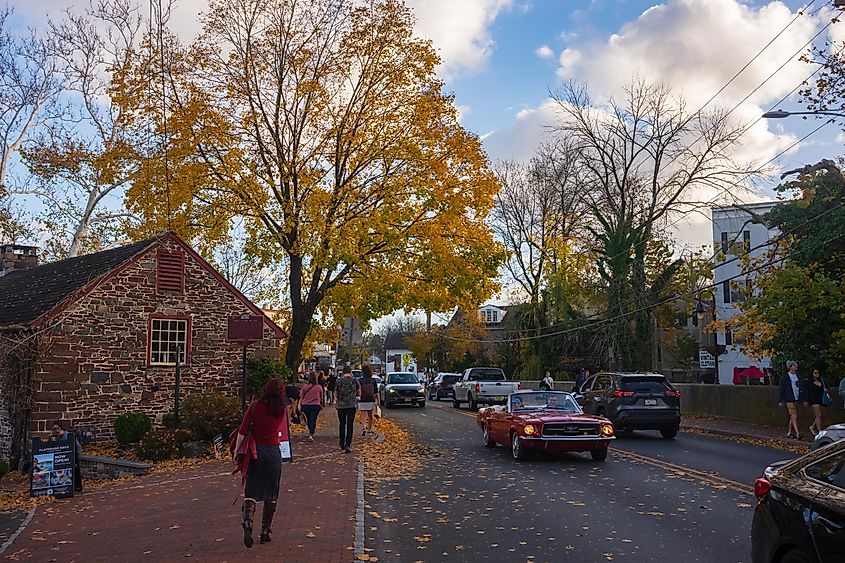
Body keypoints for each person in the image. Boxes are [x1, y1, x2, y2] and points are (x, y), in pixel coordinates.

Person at [232, 379, 286, 548]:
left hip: (256, 451)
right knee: (272, 492)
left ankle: (248, 523)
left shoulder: (255, 407)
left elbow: (242, 431)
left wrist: (236, 451)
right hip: (273, 452)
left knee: (251, 491)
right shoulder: (281, 410)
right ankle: (265, 531)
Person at [778, 361, 808, 439]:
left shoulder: (799, 376)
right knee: (794, 415)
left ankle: (789, 432)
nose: (796, 366)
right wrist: (780, 400)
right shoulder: (785, 377)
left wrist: (804, 399)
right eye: (795, 365)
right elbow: (781, 389)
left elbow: (803, 387)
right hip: (789, 399)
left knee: (793, 416)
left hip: (798, 398)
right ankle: (798, 433)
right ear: (791, 367)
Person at [50, 420, 83, 493]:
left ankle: (75, 486)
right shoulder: (58, 437)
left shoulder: (68, 436)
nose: (56, 432)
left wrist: (76, 457)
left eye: (57, 430)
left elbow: (78, 447)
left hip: (72, 457)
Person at [335, 365, 361, 453]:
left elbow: (336, 392)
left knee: (342, 424)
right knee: (350, 424)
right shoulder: (354, 380)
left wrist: (337, 401)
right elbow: (359, 392)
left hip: (341, 405)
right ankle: (348, 444)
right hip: (351, 405)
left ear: (343, 372)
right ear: (350, 372)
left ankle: (341, 442)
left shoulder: (338, 380)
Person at [300, 372, 325, 442]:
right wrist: (322, 404)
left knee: (309, 419)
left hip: (305, 405)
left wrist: (300, 404)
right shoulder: (319, 387)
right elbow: (321, 397)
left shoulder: (305, 386)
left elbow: (302, 396)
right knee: (313, 419)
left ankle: (310, 431)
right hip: (315, 405)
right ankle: (311, 433)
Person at [807, 368, 830, 436]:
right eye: (815, 373)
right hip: (814, 400)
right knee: (818, 415)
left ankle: (813, 427)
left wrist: (825, 389)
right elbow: (809, 392)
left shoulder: (822, 380)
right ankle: (820, 432)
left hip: (821, 400)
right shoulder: (810, 382)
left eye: (818, 373)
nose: (817, 374)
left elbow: (827, 388)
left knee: (820, 415)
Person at [358, 366, 379, 436]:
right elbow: (376, 392)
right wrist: (378, 401)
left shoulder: (360, 380)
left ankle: (364, 428)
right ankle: (369, 430)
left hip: (363, 399)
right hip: (371, 399)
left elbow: (358, 391)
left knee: (363, 415)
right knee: (370, 415)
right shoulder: (373, 380)